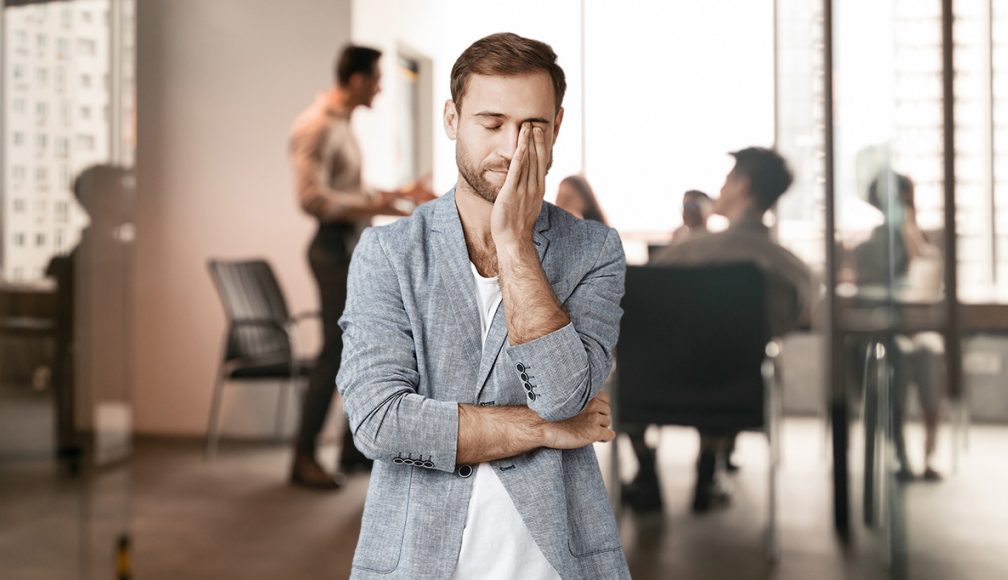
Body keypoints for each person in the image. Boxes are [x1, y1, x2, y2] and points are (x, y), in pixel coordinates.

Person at [337, 33, 630, 579]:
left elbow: (563, 396)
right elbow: (379, 422)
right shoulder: (388, 253)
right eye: (492, 124)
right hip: (417, 560)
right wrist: (541, 429)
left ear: (557, 126)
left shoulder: (594, 250)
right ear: (452, 119)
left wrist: (515, 244)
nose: (513, 149)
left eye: (533, 127)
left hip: (556, 560)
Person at [634, 147, 815, 513]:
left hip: (651, 391)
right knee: (727, 356)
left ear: (743, 185)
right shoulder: (793, 271)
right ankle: (708, 468)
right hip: (734, 393)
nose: (721, 187)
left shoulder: (683, 253)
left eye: (728, 179)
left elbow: (635, 306)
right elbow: (794, 320)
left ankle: (646, 468)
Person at [288, 44, 433, 489]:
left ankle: (354, 452)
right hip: (331, 249)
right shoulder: (317, 126)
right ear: (357, 80)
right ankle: (303, 457)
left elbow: (350, 188)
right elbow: (312, 198)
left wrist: (396, 196)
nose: (381, 88)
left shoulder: (342, 125)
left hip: (349, 247)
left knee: (360, 347)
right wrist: (376, 205)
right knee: (335, 350)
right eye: (377, 79)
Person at [849, 171, 944, 481]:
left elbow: (928, 281)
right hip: (885, 331)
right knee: (896, 360)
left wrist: (910, 232)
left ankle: (930, 454)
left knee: (929, 354)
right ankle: (900, 453)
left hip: (919, 328)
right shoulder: (868, 246)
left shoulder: (924, 240)